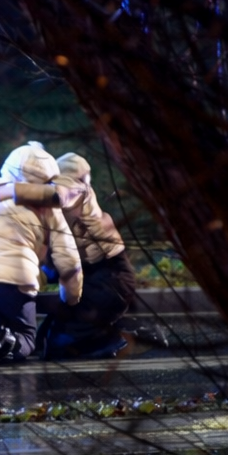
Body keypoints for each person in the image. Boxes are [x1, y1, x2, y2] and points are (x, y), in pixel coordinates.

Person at [0, 142, 82, 363]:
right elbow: (67, 258)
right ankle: (10, 342)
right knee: (27, 337)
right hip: (15, 279)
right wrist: (71, 298)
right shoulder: (48, 206)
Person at [35, 153, 137, 358]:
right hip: (105, 280)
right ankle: (107, 329)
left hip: (108, 283)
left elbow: (66, 263)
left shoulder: (73, 194)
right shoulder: (81, 203)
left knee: (59, 347)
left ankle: (112, 337)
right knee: (44, 340)